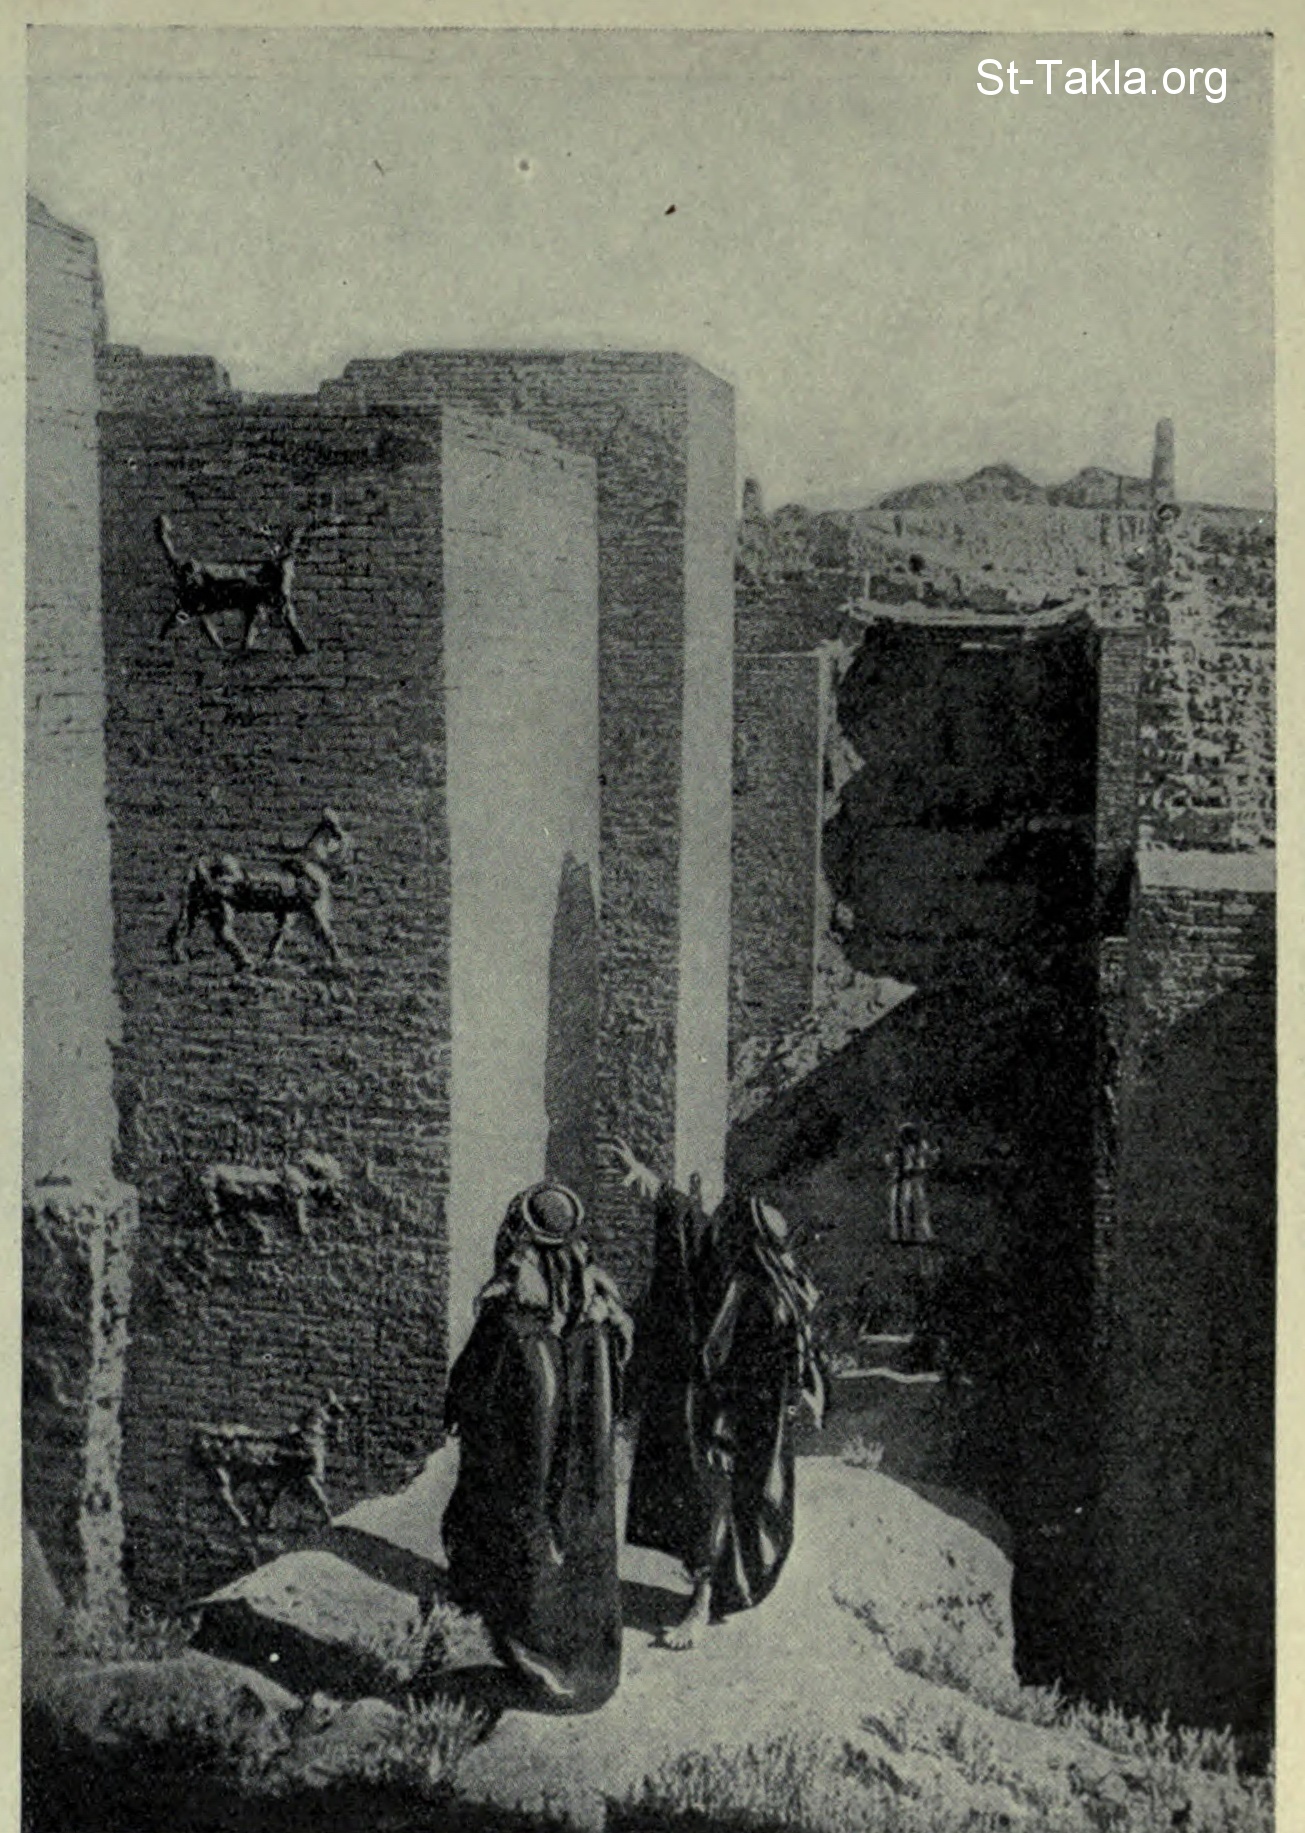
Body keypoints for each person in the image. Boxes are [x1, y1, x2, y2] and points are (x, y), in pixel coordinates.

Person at [616, 1139, 824, 1649]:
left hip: (738, 1424)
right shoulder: (776, 1279)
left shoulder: (752, 1296)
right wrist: (657, 1189)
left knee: (716, 1503)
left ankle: (701, 1605)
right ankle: (712, 1594)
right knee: (725, 1505)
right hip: (756, 1423)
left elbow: (754, 1369)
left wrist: (720, 1431)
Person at [441, 1181, 634, 1712]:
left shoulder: (508, 1319)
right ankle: (589, 1667)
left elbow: (470, 1391)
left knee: (524, 1541)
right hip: (584, 1484)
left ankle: (537, 1664)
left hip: (527, 1476)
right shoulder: (598, 1321)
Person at [884, 1123, 939, 1244]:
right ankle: (902, 1234)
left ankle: (918, 1234)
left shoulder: (921, 1147)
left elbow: (928, 1158)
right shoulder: (899, 1149)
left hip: (915, 1181)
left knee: (917, 1207)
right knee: (903, 1206)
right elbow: (891, 1161)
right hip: (903, 1182)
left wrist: (932, 1156)